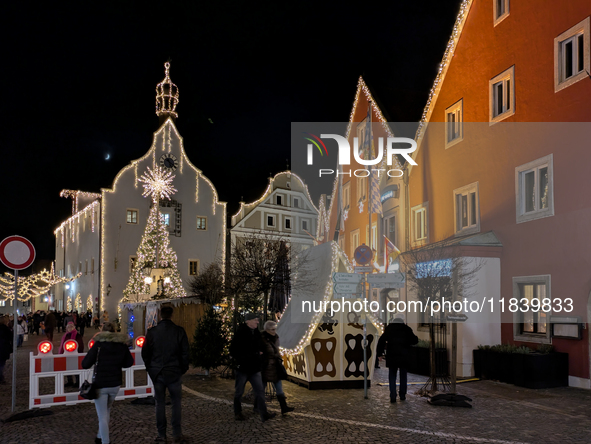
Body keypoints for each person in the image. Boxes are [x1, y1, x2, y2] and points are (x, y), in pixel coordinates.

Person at [142, 306, 190, 444]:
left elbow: (145, 353)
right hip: (174, 371)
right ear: (171, 315)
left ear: (159, 315)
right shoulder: (179, 331)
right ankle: (177, 433)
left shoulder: (152, 332)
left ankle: (161, 435)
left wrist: (150, 368)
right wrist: (182, 369)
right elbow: (185, 353)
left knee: (160, 403)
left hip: (157, 371)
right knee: (176, 403)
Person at [82, 322, 133, 444]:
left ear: (102, 331)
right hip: (115, 383)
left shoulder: (99, 345)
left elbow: (85, 364)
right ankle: (99, 436)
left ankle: (105, 441)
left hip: (100, 383)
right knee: (107, 409)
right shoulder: (121, 345)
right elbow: (128, 363)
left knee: (102, 416)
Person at [230, 313, 276, 422]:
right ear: (248, 321)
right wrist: (252, 354)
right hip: (243, 368)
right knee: (239, 392)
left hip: (255, 368)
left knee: (260, 391)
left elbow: (260, 346)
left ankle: (263, 414)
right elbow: (234, 350)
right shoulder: (240, 333)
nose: (257, 322)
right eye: (255, 320)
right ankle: (238, 412)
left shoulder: (256, 333)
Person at [376, 313, 418, 402]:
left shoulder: (389, 328)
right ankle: (402, 395)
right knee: (403, 375)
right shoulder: (407, 329)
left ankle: (393, 395)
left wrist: (379, 353)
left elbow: (381, 341)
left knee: (392, 375)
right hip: (404, 356)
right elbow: (415, 340)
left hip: (392, 355)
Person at [261, 321, 294, 415]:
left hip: (275, 366)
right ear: (267, 330)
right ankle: (257, 406)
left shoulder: (276, 338)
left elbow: (277, 350)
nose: (274, 331)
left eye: (275, 329)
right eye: (272, 329)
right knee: (262, 388)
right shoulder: (262, 339)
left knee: (279, 388)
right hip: (266, 366)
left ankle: (284, 407)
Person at [59, 322, 85, 386]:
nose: (69, 328)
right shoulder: (65, 335)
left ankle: (77, 382)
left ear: (74, 327)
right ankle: (69, 381)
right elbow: (62, 344)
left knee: (76, 368)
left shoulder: (77, 335)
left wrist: (79, 352)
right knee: (68, 368)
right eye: (68, 327)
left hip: (75, 353)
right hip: (66, 354)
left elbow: (80, 344)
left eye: (71, 327)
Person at [0, 316, 12, 384]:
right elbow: (10, 337)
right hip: (3, 348)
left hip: (3, 347)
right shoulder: (5, 328)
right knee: (1, 364)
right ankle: (1, 378)